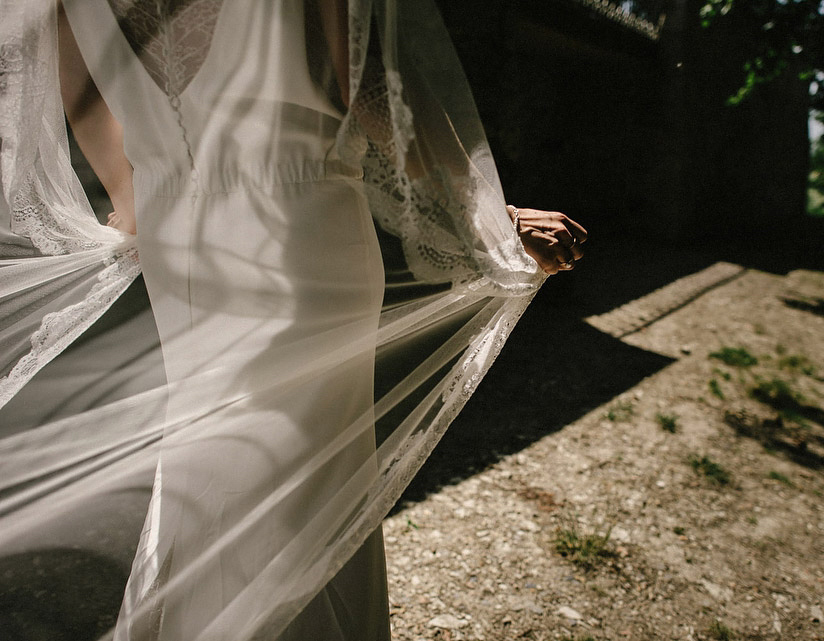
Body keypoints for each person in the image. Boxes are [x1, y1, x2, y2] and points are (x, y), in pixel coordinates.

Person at [0, 0, 586, 639]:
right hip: (300, 231)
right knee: (304, 494)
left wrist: (136, 200)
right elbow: (378, 102)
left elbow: (85, 101)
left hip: (177, 239)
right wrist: (494, 217)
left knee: (209, 465)